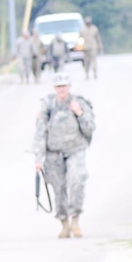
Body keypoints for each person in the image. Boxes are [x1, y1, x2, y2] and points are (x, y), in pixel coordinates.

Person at [33, 74, 95, 238]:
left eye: (64, 86)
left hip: (75, 149)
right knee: (58, 189)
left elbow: (90, 128)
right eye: (59, 87)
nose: (62, 90)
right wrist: (38, 159)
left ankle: (75, 219)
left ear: (69, 87)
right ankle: (64, 223)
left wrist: (79, 113)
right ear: (54, 89)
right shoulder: (48, 106)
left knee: (77, 181)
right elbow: (40, 132)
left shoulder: (78, 102)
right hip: (54, 153)